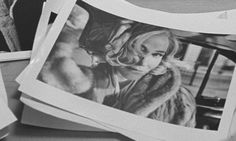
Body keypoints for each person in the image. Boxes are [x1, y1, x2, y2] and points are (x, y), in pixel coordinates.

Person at [38, 5, 196, 128]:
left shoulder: (178, 100)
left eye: (157, 54)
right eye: (140, 48)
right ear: (121, 43)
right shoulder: (83, 74)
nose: (143, 63)